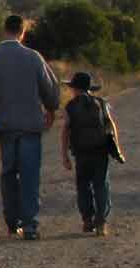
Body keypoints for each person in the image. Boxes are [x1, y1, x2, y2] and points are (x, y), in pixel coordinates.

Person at [0, 15, 61, 241]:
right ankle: (30, 225)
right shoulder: (33, 58)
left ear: (4, 30)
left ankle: (11, 221)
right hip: (30, 126)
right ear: (22, 32)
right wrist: (51, 111)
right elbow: (50, 90)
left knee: (8, 174)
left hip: (5, 126)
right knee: (29, 175)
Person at [59, 72, 127, 237]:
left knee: (83, 186)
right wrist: (117, 147)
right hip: (100, 151)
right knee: (101, 185)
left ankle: (87, 220)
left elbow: (65, 131)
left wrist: (65, 156)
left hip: (81, 153)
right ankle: (101, 223)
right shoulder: (102, 103)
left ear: (75, 88)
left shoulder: (71, 106)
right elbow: (110, 124)